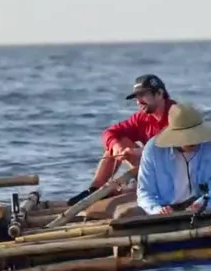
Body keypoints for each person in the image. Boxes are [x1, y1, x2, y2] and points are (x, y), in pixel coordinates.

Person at [68, 74, 176, 205]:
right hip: (152, 169)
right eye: (136, 97)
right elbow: (109, 132)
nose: (138, 102)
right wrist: (116, 147)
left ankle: (121, 192)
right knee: (118, 142)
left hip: (175, 175)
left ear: (159, 93)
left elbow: (175, 148)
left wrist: (140, 152)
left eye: (142, 95)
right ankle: (95, 190)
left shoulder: (177, 114)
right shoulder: (142, 118)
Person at [133, 102, 211, 216]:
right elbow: (145, 192)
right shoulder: (153, 150)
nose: (193, 141)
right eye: (187, 137)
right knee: (131, 214)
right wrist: (157, 210)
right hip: (167, 207)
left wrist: (203, 203)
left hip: (204, 201)